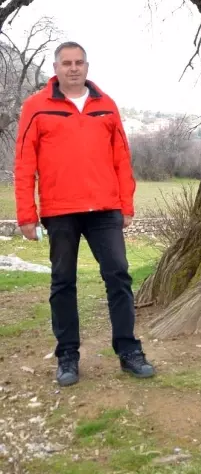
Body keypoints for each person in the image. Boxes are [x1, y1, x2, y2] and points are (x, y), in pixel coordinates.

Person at [14, 42, 155, 386]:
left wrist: (127, 204)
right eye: (67, 63)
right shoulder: (35, 107)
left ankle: (128, 351)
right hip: (60, 211)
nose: (73, 68)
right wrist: (26, 215)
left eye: (79, 62)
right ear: (56, 67)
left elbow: (122, 157)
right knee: (63, 283)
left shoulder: (106, 106)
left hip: (105, 209)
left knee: (119, 277)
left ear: (87, 66)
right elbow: (23, 164)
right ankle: (67, 357)